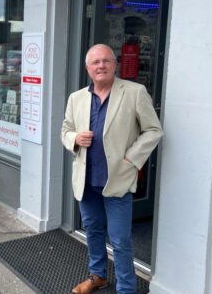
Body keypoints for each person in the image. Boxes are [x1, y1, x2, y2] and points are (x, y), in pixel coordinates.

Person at [61, 44, 163, 294]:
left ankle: (127, 289)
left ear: (115, 64)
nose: (101, 66)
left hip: (117, 180)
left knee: (120, 240)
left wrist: (131, 159)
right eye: (95, 62)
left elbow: (154, 130)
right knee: (93, 230)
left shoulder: (135, 92)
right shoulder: (77, 97)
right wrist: (74, 138)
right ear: (88, 68)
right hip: (86, 181)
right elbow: (65, 129)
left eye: (106, 61)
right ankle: (98, 276)